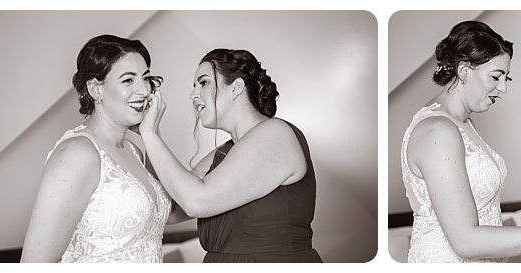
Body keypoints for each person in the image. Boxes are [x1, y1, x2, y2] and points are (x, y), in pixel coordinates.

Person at [400, 20, 521, 263]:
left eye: (506, 79)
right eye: (495, 77)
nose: (503, 89)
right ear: (464, 71)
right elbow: (466, 242)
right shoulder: (437, 131)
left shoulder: (464, 124)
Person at [138, 48, 323, 263]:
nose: (193, 95)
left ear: (236, 87)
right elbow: (169, 211)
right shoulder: (225, 152)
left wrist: (150, 134)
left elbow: (197, 201)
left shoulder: (276, 133)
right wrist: (151, 135)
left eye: (203, 82)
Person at [21, 34, 189, 263]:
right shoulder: (77, 153)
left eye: (146, 78)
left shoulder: (134, 151)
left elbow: (171, 210)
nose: (144, 91)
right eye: (128, 80)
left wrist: (152, 134)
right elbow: (35, 262)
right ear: (95, 89)